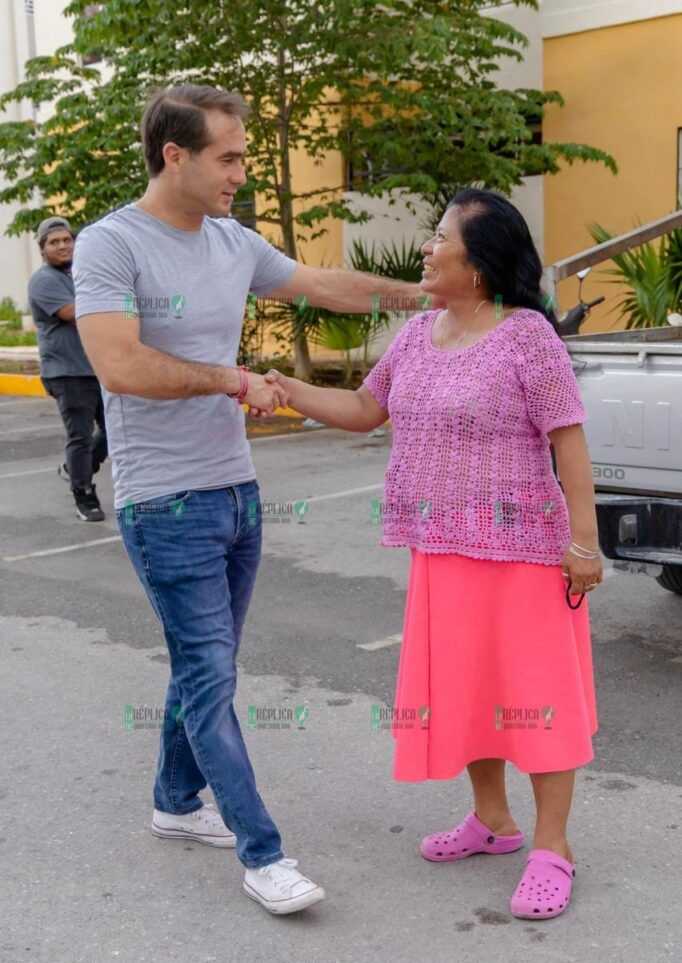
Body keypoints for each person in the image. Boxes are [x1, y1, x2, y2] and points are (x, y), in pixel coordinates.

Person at [72, 84, 432, 916]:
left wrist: (420, 295)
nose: (241, 173)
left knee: (206, 670)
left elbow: (324, 284)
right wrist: (234, 380)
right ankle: (262, 853)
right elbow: (121, 366)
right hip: (164, 503)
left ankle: (173, 802)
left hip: (236, 491)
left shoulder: (233, 242)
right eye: (228, 157)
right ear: (176, 155)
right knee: (210, 674)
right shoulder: (110, 245)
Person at [262, 188, 602, 921]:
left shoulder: (526, 337)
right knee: (470, 691)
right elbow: (362, 410)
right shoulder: (417, 333)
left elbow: (567, 439)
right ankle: (494, 823)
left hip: (524, 554)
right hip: (442, 550)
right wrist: (284, 389)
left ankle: (553, 847)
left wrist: (585, 543)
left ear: (477, 266)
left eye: (439, 236)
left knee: (537, 702)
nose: (426, 247)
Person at [28, 217, 108, 522]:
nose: (62, 246)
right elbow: (80, 313)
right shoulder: (44, 281)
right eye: (54, 242)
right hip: (67, 373)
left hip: (97, 368)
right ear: (43, 249)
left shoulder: (81, 275)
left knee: (115, 427)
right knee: (80, 436)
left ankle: (80, 467)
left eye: (67, 240)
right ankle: (84, 495)